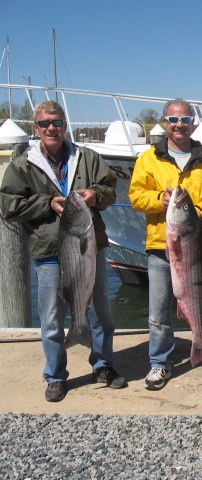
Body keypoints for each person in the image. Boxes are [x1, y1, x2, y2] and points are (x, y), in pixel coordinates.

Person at [0, 100, 126, 402]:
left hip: (87, 247)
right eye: (44, 124)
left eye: (56, 122)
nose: (51, 128)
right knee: (52, 318)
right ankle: (55, 375)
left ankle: (103, 364)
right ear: (36, 128)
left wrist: (95, 195)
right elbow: (8, 205)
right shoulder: (23, 164)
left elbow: (110, 188)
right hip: (48, 252)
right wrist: (47, 203)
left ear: (64, 125)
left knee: (100, 313)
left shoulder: (88, 157)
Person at [129, 98, 202, 390]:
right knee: (159, 312)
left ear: (193, 124)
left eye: (185, 120)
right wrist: (158, 200)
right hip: (162, 248)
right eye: (173, 120)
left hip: (199, 248)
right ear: (164, 123)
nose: (179, 126)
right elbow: (136, 196)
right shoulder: (148, 159)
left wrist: (199, 211)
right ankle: (160, 363)